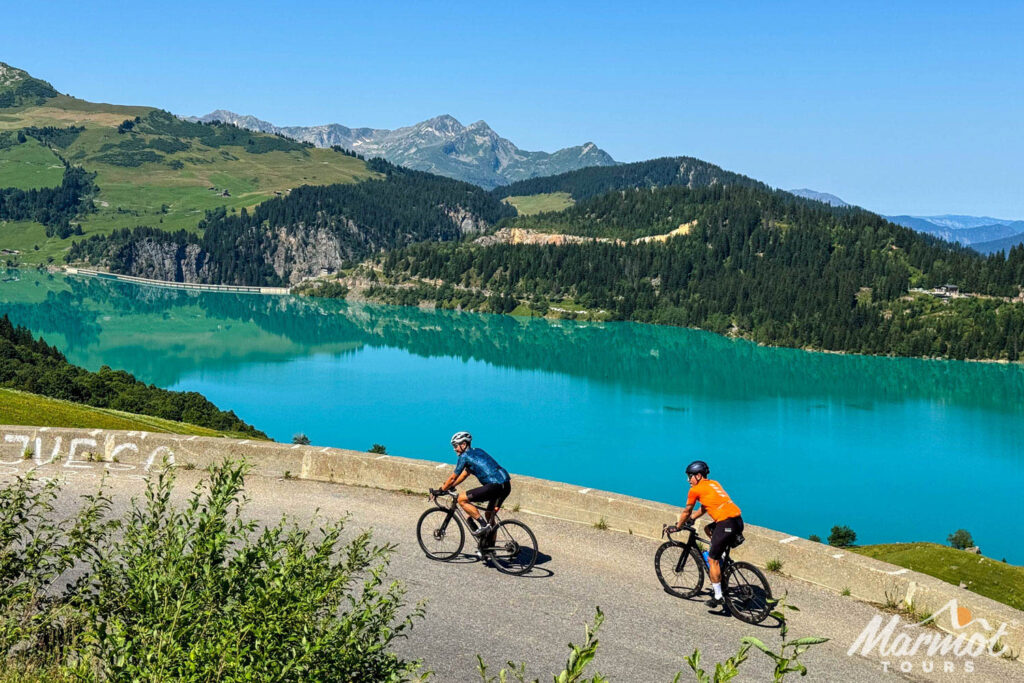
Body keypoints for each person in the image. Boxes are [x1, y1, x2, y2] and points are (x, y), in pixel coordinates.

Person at [669, 460, 744, 608]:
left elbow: (686, 511)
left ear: (698, 475)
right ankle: (722, 556)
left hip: (726, 524)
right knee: (708, 530)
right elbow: (705, 506)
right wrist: (693, 519)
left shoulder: (694, 490)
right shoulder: (713, 484)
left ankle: (717, 596)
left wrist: (678, 526)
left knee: (712, 559)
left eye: (690, 476)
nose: (688, 480)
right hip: (738, 521)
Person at [435, 431, 511, 538]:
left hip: (494, 486)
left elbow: (453, 477)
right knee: (489, 516)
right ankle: (489, 550)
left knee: (461, 499)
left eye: (455, 446)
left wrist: (441, 490)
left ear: (464, 445)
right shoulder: (478, 451)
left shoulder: (464, 456)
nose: (454, 449)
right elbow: (465, 474)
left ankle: (483, 525)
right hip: (505, 485)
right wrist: (452, 486)